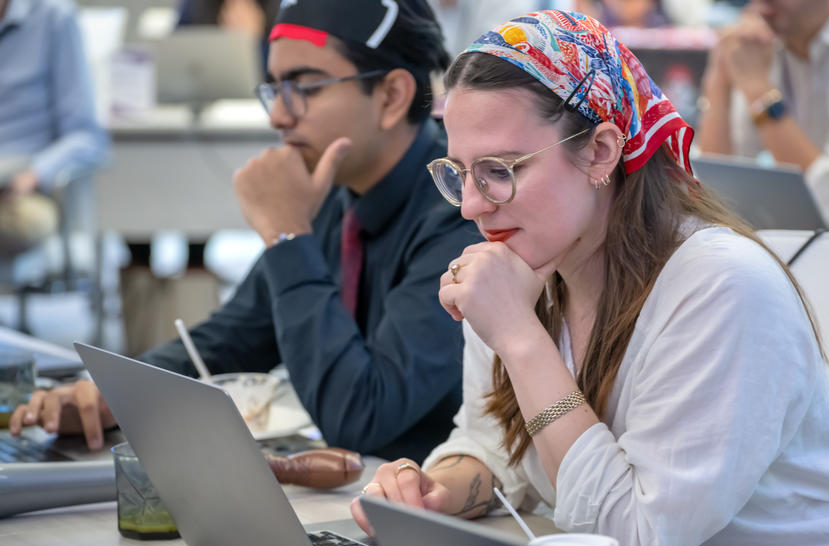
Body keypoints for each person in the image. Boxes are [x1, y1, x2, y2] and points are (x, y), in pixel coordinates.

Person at [350, 10, 829, 546]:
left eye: (499, 170)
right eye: (459, 173)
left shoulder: (721, 287)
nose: (470, 206)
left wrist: (519, 337)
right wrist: (431, 491)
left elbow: (631, 536)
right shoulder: (523, 264)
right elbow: (494, 446)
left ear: (601, 152)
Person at [11, 0, 480, 464]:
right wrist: (118, 391)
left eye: (306, 87)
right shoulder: (336, 193)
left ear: (391, 97)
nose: (277, 117)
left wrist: (288, 236)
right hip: (360, 493)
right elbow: (232, 339)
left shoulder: (459, 213)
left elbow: (360, 416)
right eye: (274, 89)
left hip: (453, 515)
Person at [697, 0, 829, 228]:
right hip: (820, 238)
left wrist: (758, 89)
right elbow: (719, 193)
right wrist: (718, 83)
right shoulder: (768, 34)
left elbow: (828, 202)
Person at [0, 0, 107, 260]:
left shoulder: (54, 17)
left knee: (28, 221)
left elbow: (86, 136)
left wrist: (34, 173)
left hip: (19, 192)